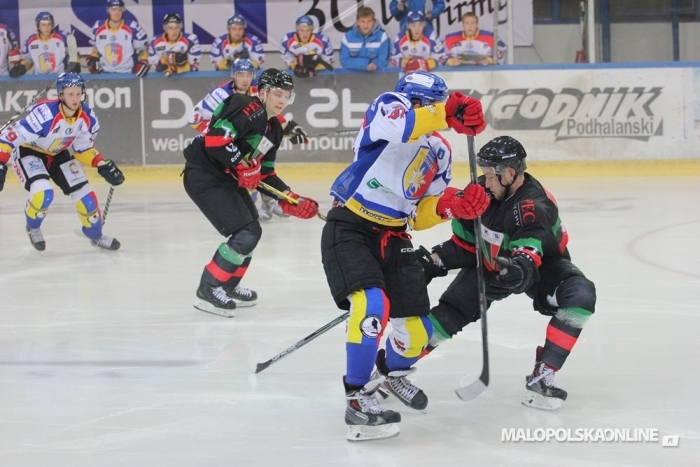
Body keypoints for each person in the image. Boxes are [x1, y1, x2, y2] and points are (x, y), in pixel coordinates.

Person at [320, 71, 488, 441]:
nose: (422, 109)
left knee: (415, 335)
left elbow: (420, 212)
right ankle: (357, 398)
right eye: (420, 103)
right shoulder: (389, 107)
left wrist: (451, 205)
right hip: (350, 225)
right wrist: (446, 110)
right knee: (371, 306)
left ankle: (389, 375)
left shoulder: (440, 151)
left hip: (395, 236)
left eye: (430, 104)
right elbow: (404, 125)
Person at [417, 136, 596, 411]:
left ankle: (543, 374)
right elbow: (466, 243)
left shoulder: (534, 206)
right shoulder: (480, 191)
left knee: (580, 295)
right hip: (492, 262)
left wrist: (517, 269)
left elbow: (529, 254)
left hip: (542, 266)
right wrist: (436, 260)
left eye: (491, 176)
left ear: (510, 173)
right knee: (448, 315)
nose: (485, 182)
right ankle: (389, 371)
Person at [182, 69, 319, 318]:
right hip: (204, 175)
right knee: (245, 233)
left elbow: (265, 173)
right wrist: (242, 165)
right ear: (263, 92)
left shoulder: (274, 129)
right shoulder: (245, 105)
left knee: (252, 231)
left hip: (224, 178)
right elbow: (216, 140)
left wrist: (288, 198)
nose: (281, 100)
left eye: (286, 96)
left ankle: (227, 285)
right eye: (277, 94)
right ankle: (208, 289)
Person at [0, 72, 125, 251]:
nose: (75, 98)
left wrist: (100, 163)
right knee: (44, 193)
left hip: (59, 153)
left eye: (78, 93)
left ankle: (96, 236)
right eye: (70, 94)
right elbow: (8, 136)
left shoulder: (87, 118)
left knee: (87, 200)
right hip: (30, 151)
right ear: (61, 95)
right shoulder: (44, 115)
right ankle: (33, 226)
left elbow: (83, 148)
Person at [187, 58, 309, 222]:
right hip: (218, 145)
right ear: (234, 76)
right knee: (247, 168)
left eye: (248, 75)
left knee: (258, 164)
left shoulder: (256, 91)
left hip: (236, 142)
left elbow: (269, 112)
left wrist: (291, 127)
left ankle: (270, 203)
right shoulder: (221, 94)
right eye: (240, 74)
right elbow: (194, 118)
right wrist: (216, 132)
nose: (244, 79)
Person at [88, 0, 150, 76]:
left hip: (129, 74)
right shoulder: (97, 27)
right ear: (108, 10)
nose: (116, 13)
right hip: (105, 74)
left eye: (119, 9)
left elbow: (143, 48)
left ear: (123, 10)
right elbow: (96, 47)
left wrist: (143, 61)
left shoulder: (133, 27)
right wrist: (93, 59)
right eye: (113, 9)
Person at [10, 12, 80, 78]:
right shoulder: (30, 41)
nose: (46, 27)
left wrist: (75, 63)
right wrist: (22, 67)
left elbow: (74, 54)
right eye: (43, 24)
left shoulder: (63, 37)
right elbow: (28, 61)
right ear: (38, 26)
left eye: (49, 24)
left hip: (61, 78)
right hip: (38, 79)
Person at [339, 7, 390, 72]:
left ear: (374, 22)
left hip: (376, 77)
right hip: (352, 79)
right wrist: (366, 64)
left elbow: (384, 60)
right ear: (357, 22)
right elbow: (344, 60)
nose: (366, 25)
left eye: (369, 21)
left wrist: (375, 64)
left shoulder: (383, 36)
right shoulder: (347, 37)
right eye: (363, 21)